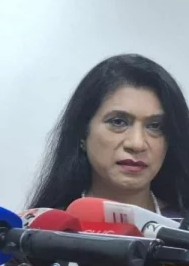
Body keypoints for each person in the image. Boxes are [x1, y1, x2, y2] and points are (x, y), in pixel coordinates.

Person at [28, 53, 189, 222]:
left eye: (155, 126)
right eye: (118, 122)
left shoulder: (182, 228)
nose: (137, 143)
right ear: (82, 133)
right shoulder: (44, 230)